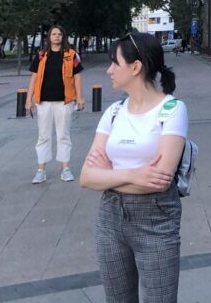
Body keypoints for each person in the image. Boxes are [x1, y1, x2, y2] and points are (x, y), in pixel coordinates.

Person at [80, 32, 187, 303]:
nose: (109, 70)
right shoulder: (114, 112)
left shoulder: (172, 109)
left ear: (136, 67)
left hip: (156, 219)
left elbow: (160, 181)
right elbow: (86, 176)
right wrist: (133, 174)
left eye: (115, 63)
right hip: (110, 218)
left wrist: (108, 174)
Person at [25, 25, 85, 183]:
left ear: (63, 37)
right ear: (49, 37)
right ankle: (41, 170)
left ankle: (65, 169)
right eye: (53, 34)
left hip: (64, 102)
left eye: (59, 34)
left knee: (63, 135)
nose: (56, 36)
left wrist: (80, 98)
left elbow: (77, 77)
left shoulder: (72, 55)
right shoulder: (41, 55)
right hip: (43, 102)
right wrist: (28, 100)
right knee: (43, 136)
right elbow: (34, 78)